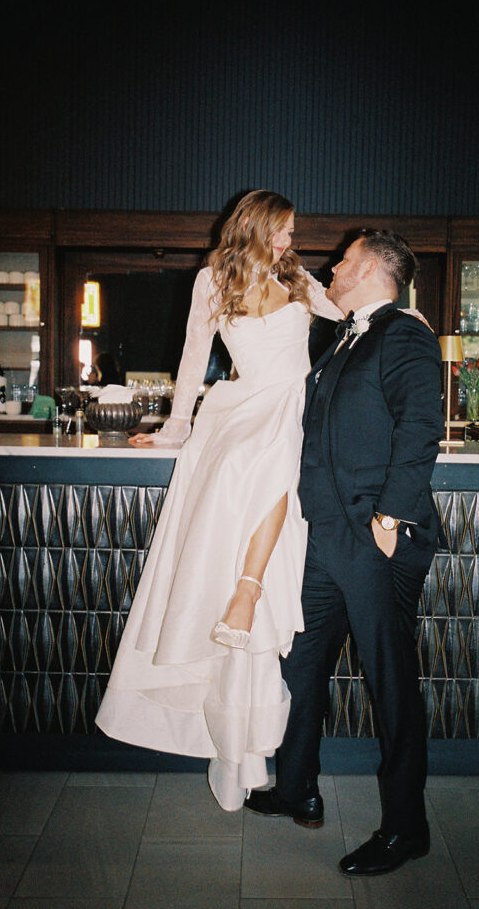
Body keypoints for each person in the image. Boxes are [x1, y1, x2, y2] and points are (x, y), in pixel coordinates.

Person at [95, 190, 342, 811]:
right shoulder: (212, 278)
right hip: (237, 409)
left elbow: (348, 314)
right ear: (255, 227)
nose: (291, 242)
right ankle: (242, 592)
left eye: (291, 233)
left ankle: (247, 590)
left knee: (280, 461)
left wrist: (403, 316)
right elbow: (191, 358)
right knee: (255, 464)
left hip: (289, 407)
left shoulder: (299, 278)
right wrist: (176, 427)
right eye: (283, 231)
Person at [244, 230, 444, 878]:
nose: (334, 265)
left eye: (346, 260)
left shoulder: (405, 334)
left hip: (377, 539)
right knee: (302, 667)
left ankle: (405, 829)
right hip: (324, 539)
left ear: (374, 271)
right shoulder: (341, 337)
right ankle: (296, 784)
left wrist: (393, 513)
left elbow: (421, 425)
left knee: (391, 685)